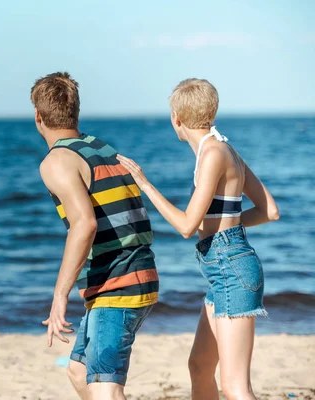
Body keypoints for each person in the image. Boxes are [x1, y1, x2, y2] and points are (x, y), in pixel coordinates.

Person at [116, 78, 279, 400]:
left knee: (235, 387)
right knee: (200, 366)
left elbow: (187, 225)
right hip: (224, 268)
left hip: (231, 269)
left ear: (176, 118)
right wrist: (227, 226)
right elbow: (269, 210)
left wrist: (145, 185)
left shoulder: (213, 154)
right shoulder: (222, 148)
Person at [31, 72, 159, 400]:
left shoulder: (56, 160)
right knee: (78, 370)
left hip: (118, 285)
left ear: (38, 117)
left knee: (104, 388)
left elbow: (84, 225)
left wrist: (59, 296)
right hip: (135, 275)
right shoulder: (100, 147)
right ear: (75, 111)